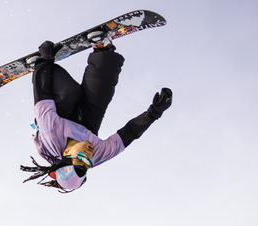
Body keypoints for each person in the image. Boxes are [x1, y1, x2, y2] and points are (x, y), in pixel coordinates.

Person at [20, 35, 172, 192]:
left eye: (81, 158)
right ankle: (103, 51)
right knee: (100, 96)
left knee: (69, 93)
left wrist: (44, 61)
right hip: (86, 125)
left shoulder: (51, 132)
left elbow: (41, 93)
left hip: (59, 114)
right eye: (88, 164)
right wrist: (154, 113)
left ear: (66, 152)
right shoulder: (97, 153)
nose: (88, 155)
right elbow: (128, 134)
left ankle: (44, 69)